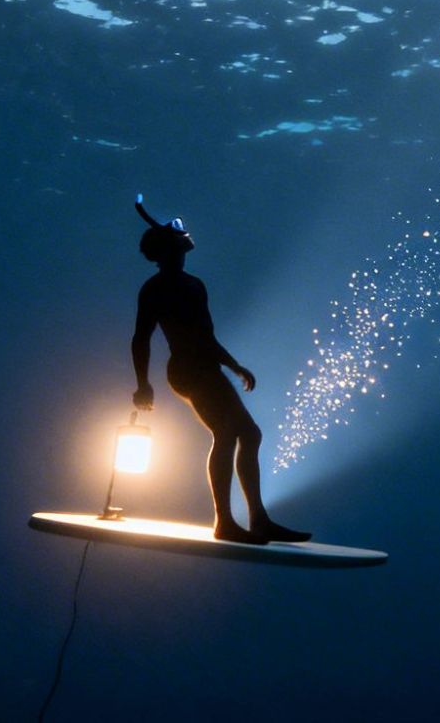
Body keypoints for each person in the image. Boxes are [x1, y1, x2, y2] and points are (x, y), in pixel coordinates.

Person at [129, 196, 309, 545]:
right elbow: (141, 339)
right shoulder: (154, 290)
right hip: (187, 372)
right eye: (177, 247)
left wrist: (234, 365)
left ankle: (258, 519)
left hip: (208, 369)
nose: (182, 252)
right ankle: (224, 522)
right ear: (166, 252)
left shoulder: (195, 285)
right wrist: (142, 385)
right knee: (226, 434)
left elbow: (206, 336)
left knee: (250, 435)